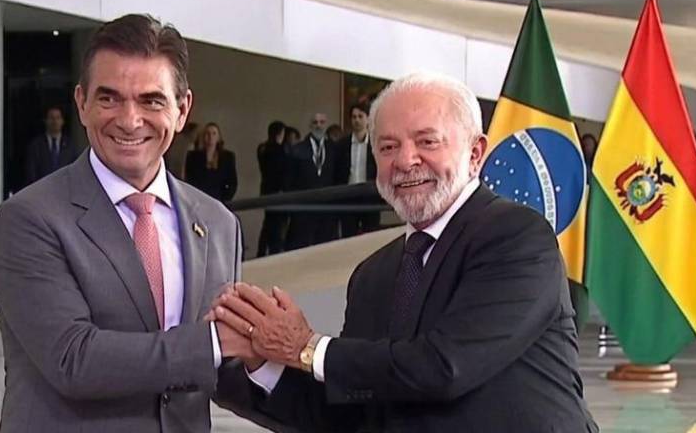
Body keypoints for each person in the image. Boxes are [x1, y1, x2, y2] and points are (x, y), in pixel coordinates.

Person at [214, 72, 598, 432]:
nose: (405, 160)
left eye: (427, 141)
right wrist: (260, 360)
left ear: (475, 153)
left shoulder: (517, 238)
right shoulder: (373, 275)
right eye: (388, 147)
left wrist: (306, 348)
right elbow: (351, 412)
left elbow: (445, 367)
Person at [0, 14, 265, 432]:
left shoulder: (217, 223)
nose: (130, 120)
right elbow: (74, 359)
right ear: (81, 103)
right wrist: (214, 341)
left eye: (151, 101)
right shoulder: (28, 220)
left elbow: (215, 369)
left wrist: (267, 355)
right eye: (109, 98)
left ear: (182, 109)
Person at [284, 113, 338, 249]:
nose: (318, 125)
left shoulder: (334, 149)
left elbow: (337, 178)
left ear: (326, 125)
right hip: (304, 210)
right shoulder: (297, 150)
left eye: (322, 122)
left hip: (327, 211)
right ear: (310, 126)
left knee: (326, 250)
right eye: (315, 122)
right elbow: (289, 182)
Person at [335, 102, 379, 238]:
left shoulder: (376, 144)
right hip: (348, 196)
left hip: (370, 196)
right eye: (354, 117)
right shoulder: (342, 145)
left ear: (368, 119)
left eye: (360, 116)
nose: (357, 120)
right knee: (348, 237)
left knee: (371, 237)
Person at [24, 106, 80, 186]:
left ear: (62, 121)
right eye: (51, 118)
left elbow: (75, 171)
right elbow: (31, 174)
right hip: (42, 189)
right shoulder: (36, 146)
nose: (55, 121)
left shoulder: (71, 146)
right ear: (45, 121)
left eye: (58, 118)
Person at [256, 121, 288, 257]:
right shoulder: (279, 151)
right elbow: (281, 173)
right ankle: (274, 249)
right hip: (277, 191)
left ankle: (262, 251)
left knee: (268, 222)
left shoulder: (262, 149)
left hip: (266, 190)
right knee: (276, 224)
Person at [184, 122, 237, 202]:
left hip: (219, 200)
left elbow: (232, 182)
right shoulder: (193, 157)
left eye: (214, 133)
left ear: (218, 137)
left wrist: (224, 200)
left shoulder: (227, 157)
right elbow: (189, 180)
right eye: (207, 133)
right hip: (199, 199)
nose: (210, 137)